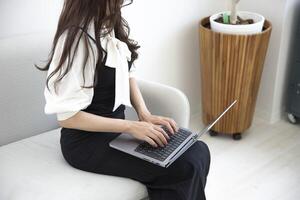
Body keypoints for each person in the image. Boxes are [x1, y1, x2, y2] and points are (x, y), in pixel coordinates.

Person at [36, 0, 211, 199]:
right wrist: (129, 126)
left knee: (198, 151)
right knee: (184, 166)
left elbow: (127, 73)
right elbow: (67, 118)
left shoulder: (109, 23)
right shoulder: (77, 38)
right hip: (85, 142)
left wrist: (144, 114)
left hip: (117, 130)